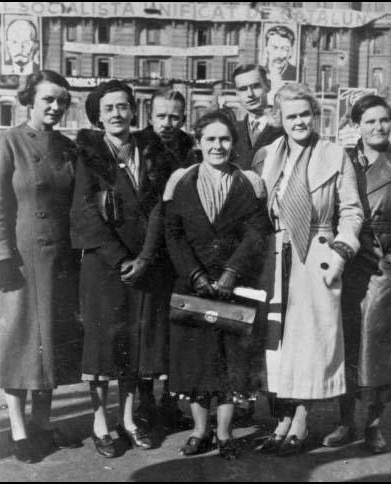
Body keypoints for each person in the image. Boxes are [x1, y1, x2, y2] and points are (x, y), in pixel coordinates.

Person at [253, 83, 364, 455]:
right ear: (280, 120)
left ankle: (300, 419)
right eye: (291, 116)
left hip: (316, 256)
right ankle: (281, 418)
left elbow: (351, 209)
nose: (299, 122)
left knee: (310, 345)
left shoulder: (335, 154)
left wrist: (341, 252)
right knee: (278, 343)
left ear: (314, 116)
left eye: (305, 114)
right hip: (276, 254)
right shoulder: (269, 156)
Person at [70, 80, 172, 458]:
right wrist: (120, 259)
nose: (117, 114)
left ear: (134, 111)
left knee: (133, 344)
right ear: (98, 116)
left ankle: (127, 419)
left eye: (123, 107)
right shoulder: (89, 155)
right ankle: (100, 422)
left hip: (143, 266)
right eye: (109, 108)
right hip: (104, 266)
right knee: (101, 347)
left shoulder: (149, 152)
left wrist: (145, 257)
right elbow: (84, 212)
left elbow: (161, 206)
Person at [164, 111, 271, 459]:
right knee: (196, 361)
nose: (217, 146)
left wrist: (231, 273)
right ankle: (199, 431)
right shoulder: (181, 182)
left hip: (233, 286)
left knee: (230, 362)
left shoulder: (248, 183)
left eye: (224, 139)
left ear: (233, 143)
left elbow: (257, 234)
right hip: (192, 285)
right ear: (198, 143)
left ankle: (224, 434)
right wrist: (195, 274)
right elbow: (173, 234)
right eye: (210, 139)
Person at [323, 95, 391, 453]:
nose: (378, 128)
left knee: (380, 349)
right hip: (347, 257)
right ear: (356, 126)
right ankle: (345, 421)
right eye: (370, 121)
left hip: (385, 263)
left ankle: (374, 424)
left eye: (384, 121)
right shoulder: (343, 160)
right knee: (345, 342)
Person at [0, 70, 82, 463]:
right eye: (48, 99)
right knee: (20, 341)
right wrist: (1, 257)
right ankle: (17, 429)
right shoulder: (9, 143)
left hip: (61, 259)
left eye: (62, 101)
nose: (55, 107)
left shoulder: (68, 147)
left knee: (53, 340)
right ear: (29, 99)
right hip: (21, 258)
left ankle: (43, 423)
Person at [136, 88, 197, 430]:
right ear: (150, 115)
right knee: (148, 330)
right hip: (149, 248)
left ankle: (170, 403)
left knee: (177, 329)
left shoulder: (190, 147)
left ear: (183, 117)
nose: (168, 123)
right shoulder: (140, 146)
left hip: (180, 250)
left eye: (174, 116)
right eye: (161, 116)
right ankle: (145, 406)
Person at [232, 64, 284, 170]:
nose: (250, 94)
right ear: (237, 94)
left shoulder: (285, 127)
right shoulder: (232, 131)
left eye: (255, 86)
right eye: (243, 89)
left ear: (268, 85)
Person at [139, 88, 197, 171]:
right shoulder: (135, 149)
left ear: (183, 120)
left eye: (174, 118)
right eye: (161, 116)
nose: (166, 124)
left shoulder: (193, 154)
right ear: (150, 118)